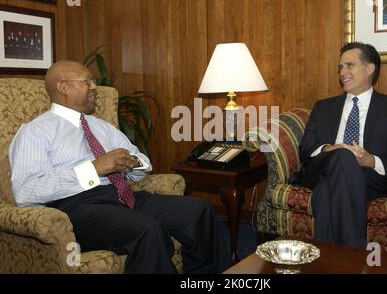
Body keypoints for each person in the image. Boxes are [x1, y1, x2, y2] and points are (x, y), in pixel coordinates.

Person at [9, 60, 230, 274]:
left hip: (121, 197)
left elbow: (142, 162)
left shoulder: (102, 127)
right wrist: (94, 169)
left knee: (198, 210)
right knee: (147, 229)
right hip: (76, 207)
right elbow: (26, 191)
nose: (94, 87)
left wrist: (132, 163)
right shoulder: (36, 131)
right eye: (87, 81)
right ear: (63, 87)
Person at [292, 42, 387, 248]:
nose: (343, 72)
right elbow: (305, 150)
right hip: (323, 167)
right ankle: (355, 256)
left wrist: (369, 160)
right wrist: (331, 149)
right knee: (342, 156)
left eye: (350, 65)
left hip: (368, 176)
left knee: (325, 193)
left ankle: (326, 262)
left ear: (370, 69)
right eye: (340, 67)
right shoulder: (323, 107)